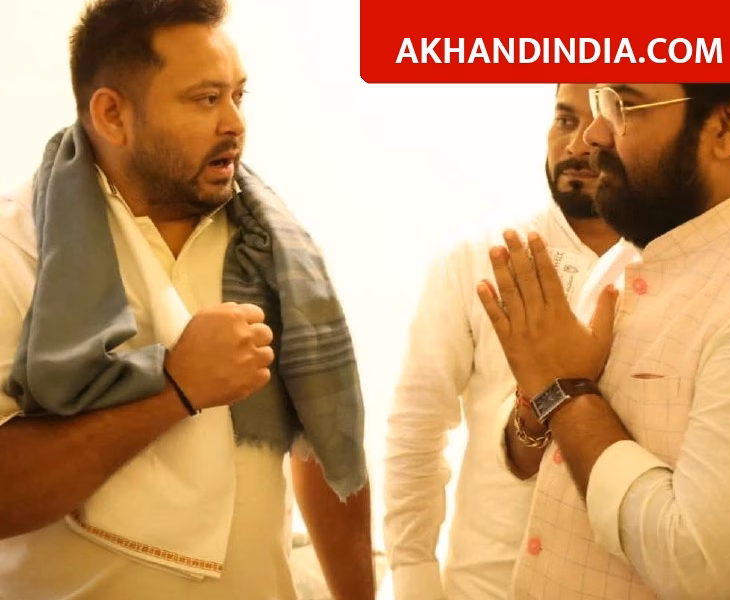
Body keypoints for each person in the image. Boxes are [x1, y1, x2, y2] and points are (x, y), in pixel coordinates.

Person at [0, 1, 374, 598]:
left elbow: (324, 446)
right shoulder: (16, 249)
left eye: (238, 96)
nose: (235, 123)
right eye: (206, 99)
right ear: (113, 115)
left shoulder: (277, 251)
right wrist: (176, 388)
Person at [479, 0, 730, 598]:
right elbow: (527, 459)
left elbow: (696, 565)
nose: (594, 134)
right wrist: (537, 400)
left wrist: (566, 393)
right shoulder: (631, 253)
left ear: (726, 126)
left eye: (623, 102)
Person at [382, 83, 630, 600]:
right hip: (484, 587)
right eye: (564, 120)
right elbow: (417, 427)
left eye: (601, 120)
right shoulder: (477, 257)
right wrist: (414, 577)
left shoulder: (667, 267)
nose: (577, 144)